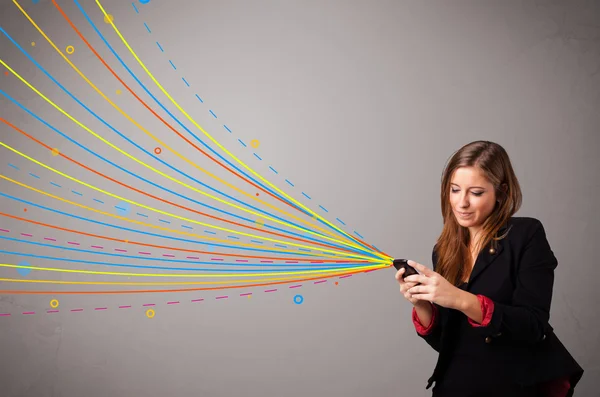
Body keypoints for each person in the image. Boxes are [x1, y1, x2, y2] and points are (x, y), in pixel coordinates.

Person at [395, 141, 583, 397]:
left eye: (476, 192)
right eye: (454, 190)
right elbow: (447, 344)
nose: (461, 203)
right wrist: (422, 305)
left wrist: (459, 298)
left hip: (513, 386)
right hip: (455, 385)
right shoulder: (444, 249)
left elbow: (533, 325)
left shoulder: (526, 235)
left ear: (501, 192)